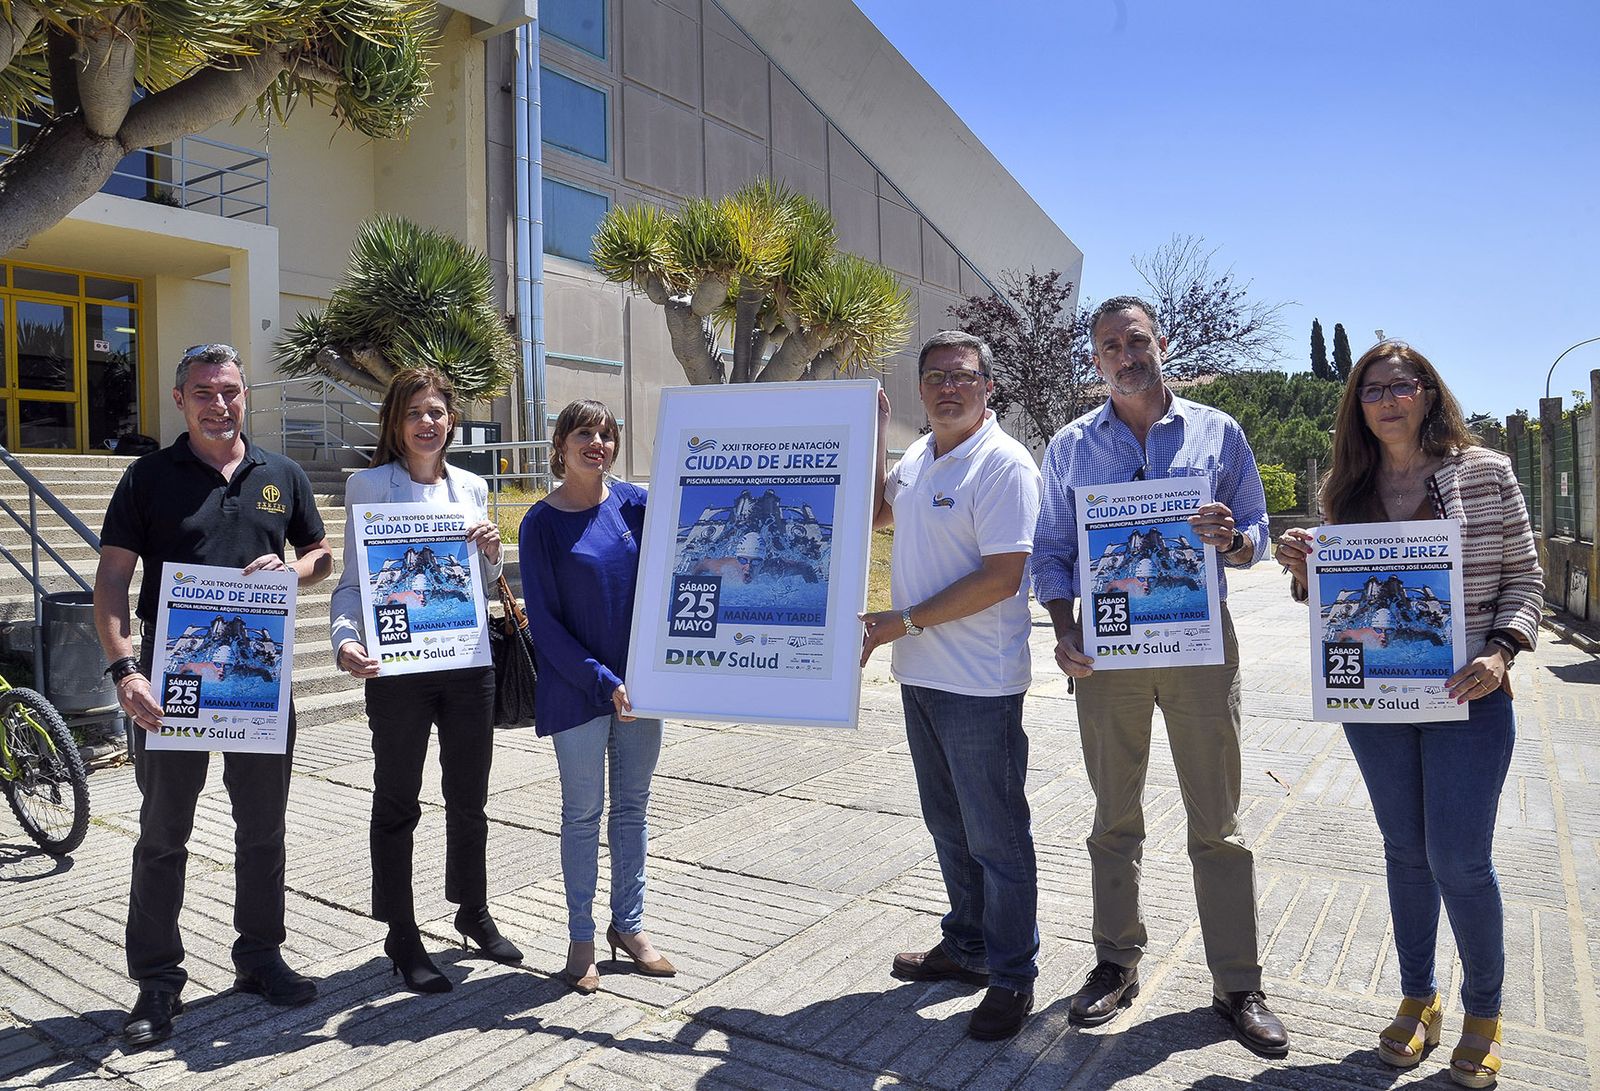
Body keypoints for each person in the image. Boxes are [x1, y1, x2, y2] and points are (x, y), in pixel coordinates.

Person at [1275, 341, 1540, 1088]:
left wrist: (1501, 651)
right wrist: (1305, 569)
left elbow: (1526, 575)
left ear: (1429, 393)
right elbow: (1332, 606)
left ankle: (1483, 1011)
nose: (1388, 399)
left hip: (1470, 697)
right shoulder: (1346, 486)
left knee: (1461, 859)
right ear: (1356, 407)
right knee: (1404, 853)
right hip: (1376, 702)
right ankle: (1418, 998)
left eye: (1402, 385)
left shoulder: (1485, 473)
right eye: (1371, 390)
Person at [1032, 296, 1289, 1055]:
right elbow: (1050, 550)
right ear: (1096, 359)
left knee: (1219, 818)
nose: (1125, 352)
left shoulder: (1219, 430)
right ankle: (1116, 961)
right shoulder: (1070, 446)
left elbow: (1259, 533)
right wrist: (1065, 626)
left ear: (1160, 342)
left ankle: (1237, 982)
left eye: (1136, 338)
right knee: (1114, 813)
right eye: (1109, 344)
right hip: (1107, 655)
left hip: (1201, 648)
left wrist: (1232, 538)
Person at [92, 344, 333, 1048]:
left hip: (257, 685)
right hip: (173, 685)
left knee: (263, 830)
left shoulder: (280, 474)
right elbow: (111, 582)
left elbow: (322, 554)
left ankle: (260, 957)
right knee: (164, 836)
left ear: (244, 396)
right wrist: (125, 670)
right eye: (204, 391)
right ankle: (157, 981)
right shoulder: (146, 478)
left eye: (230, 390)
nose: (219, 403)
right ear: (180, 399)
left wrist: (295, 568)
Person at [860, 330, 1043, 1041]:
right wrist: (872, 430)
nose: (947, 387)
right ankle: (967, 945)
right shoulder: (918, 454)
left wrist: (903, 620)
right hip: (922, 676)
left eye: (962, 376)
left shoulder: (1003, 464)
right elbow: (880, 511)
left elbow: (1004, 576)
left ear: (986, 387)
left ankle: (1012, 974)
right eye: (935, 376)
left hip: (979, 685)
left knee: (997, 836)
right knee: (948, 826)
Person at [329, 366, 519, 993]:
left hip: (466, 664)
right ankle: (401, 932)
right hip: (397, 672)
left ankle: (473, 910)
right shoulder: (366, 485)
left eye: (437, 412)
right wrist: (344, 640)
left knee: (470, 800)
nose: (427, 423)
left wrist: (492, 554)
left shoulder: (471, 487)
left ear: (452, 421)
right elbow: (354, 583)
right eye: (415, 413)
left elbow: (485, 588)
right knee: (397, 802)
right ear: (395, 422)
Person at [518, 399, 674, 994]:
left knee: (633, 809)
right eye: (585, 433)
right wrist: (600, 680)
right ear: (560, 443)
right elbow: (546, 623)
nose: (598, 444)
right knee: (583, 816)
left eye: (607, 435)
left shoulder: (635, 505)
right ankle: (581, 938)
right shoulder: (540, 523)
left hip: (642, 688)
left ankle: (629, 928)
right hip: (578, 689)